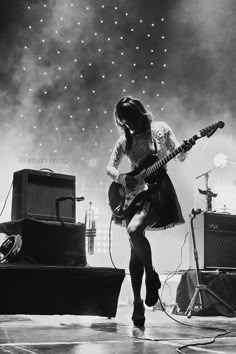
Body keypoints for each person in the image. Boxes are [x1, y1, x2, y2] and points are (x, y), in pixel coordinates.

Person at [106, 96, 194, 327]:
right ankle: (138, 304)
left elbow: (180, 155)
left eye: (131, 120)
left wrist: (185, 149)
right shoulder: (124, 141)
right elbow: (110, 167)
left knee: (135, 231)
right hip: (135, 194)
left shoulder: (161, 129)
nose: (129, 125)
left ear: (140, 113)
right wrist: (122, 177)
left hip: (158, 192)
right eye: (124, 122)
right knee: (134, 249)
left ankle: (151, 275)